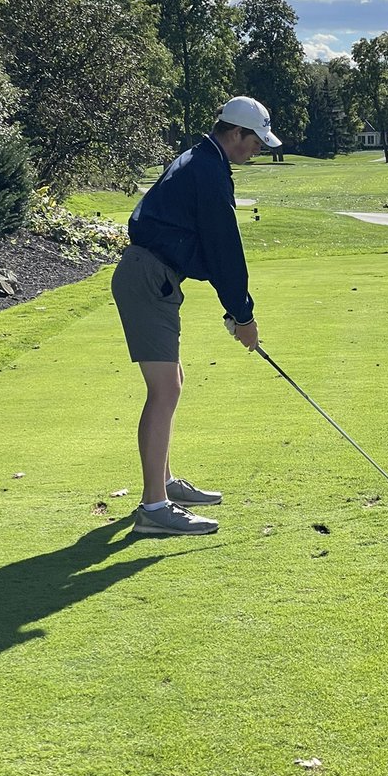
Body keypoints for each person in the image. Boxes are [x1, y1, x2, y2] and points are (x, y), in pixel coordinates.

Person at [111, 96, 281, 537]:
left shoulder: (202, 160)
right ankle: (154, 506)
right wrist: (243, 315)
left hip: (152, 275)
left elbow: (203, 244)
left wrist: (235, 309)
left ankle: (163, 482)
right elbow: (224, 248)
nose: (257, 151)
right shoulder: (208, 170)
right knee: (163, 390)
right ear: (235, 133)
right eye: (255, 141)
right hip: (149, 277)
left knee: (173, 382)